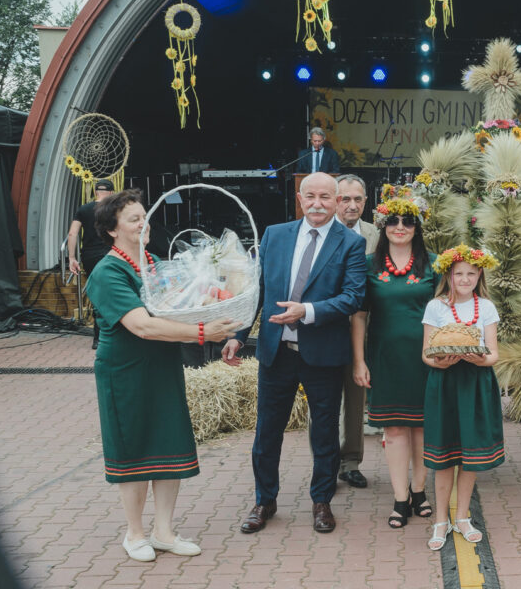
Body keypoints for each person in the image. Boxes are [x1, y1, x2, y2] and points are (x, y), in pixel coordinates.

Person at [84, 189, 239, 561]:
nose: (144, 224)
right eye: (134, 219)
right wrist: (204, 334)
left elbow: (180, 305)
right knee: (135, 448)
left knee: (168, 445)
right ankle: (135, 534)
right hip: (126, 372)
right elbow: (144, 327)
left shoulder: (151, 262)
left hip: (162, 367)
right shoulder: (108, 271)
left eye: (144, 217)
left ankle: (164, 531)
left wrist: (220, 296)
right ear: (111, 230)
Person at [222, 172, 366, 535]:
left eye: (325, 197)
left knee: (324, 434)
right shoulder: (275, 234)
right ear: (299, 198)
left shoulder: (350, 243)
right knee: (267, 431)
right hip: (276, 351)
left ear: (336, 201)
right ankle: (264, 500)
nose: (317, 204)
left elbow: (353, 297)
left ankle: (322, 501)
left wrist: (308, 311)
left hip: (323, 353)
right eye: (310, 196)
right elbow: (257, 290)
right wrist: (238, 335)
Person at [351, 193, 437, 528]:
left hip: (426, 359)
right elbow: (359, 317)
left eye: (408, 221)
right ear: (382, 225)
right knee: (395, 428)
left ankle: (420, 490)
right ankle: (401, 497)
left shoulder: (433, 263)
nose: (400, 227)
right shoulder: (369, 265)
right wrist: (359, 362)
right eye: (393, 221)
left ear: (417, 226)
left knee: (423, 427)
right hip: (385, 359)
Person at [421, 244, 503, 551]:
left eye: (471, 273)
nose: (465, 279)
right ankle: (440, 519)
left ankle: (463, 515)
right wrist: (439, 361)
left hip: (475, 383)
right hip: (444, 383)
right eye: (459, 274)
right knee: (443, 457)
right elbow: (427, 353)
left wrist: (480, 359)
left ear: (479, 273)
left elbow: (493, 352)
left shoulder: (487, 307)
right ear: (449, 275)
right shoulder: (436, 306)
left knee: (470, 456)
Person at [335, 175, 377, 489]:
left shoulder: (377, 235)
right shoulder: (321, 233)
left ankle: (350, 462)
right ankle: (325, 463)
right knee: (323, 402)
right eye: (346, 199)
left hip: (364, 330)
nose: (352, 205)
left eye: (358, 199)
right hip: (328, 330)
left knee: (354, 400)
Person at [67, 179, 115, 348]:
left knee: (97, 294)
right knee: (111, 292)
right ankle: (110, 334)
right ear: (111, 193)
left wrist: (72, 258)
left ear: (96, 192)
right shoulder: (114, 210)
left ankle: (98, 337)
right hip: (111, 254)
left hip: (89, 257)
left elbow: (72, 234)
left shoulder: (83, 209)